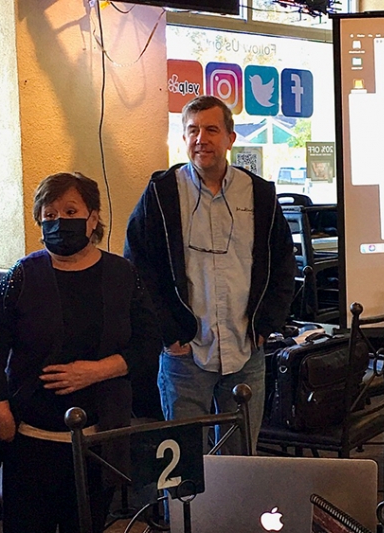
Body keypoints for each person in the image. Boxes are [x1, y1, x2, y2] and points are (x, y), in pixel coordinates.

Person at [0, 172, 162, 533]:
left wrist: (99, 370)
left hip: (98, 439)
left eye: (71, 211)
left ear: (93, 218)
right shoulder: (23, 275)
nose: (59, 222)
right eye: (49, 215)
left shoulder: (123, 274)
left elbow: (148, 343)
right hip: (31, 439)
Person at [125, 95, 296, 452]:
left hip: (245, 349)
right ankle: (193, 512)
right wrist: (169, 335)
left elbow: (283, 263)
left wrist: (266, 325)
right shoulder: (161, 194)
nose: (201, 138)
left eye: (212, 129)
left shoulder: (260, 194)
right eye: (193, 130)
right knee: (185, 465)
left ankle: (234, 512)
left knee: (241, 460)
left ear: (230, 138)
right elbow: (138, 271)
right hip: (186, 352)